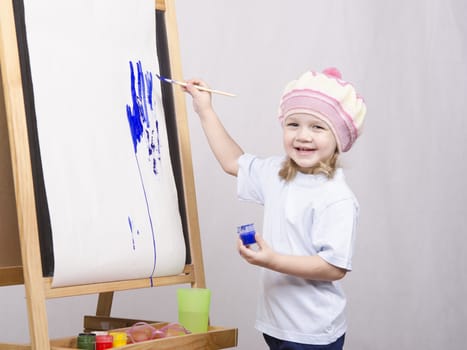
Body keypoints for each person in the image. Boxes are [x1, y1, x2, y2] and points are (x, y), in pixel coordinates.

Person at [184, 67, 366, 350]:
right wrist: (204, 109)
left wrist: (271, 260)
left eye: (317, 127)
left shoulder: (336, 197)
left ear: (339, 139)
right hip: (277, 325)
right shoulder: (277, 173)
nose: (303, 136)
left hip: (311, 332)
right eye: (293, 124)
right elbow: (233, 162)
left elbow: (333, 267)